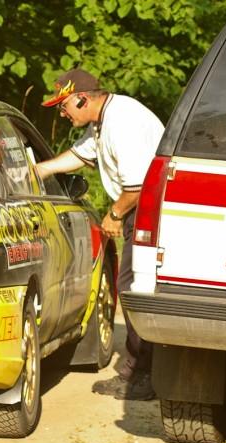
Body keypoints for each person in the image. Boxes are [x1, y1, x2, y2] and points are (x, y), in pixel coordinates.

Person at [35, 68, 163, 401]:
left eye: (64, 107)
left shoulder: (123, 122)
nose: (63, 114)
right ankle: (142, 371)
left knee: (135, 289)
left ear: (82, 98)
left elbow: (135, 186)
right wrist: (41, 169)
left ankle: (141, 375)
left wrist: (114, 214)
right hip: (144, 210)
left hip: (151, 211)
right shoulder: (103, 121)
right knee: (133, 286)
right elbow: (80, 155)